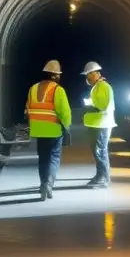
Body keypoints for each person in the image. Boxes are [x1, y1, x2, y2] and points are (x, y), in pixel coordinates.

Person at [25, 60, 72, 200]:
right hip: (54, 130)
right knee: (54, 157)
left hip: (38, 130)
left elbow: (28, 108)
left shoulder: (33, 88)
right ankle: (48, 184)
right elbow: (65, 112)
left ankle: (43, 183)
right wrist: (67, 126)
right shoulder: (58, 90)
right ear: (56, 75)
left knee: (43, 158)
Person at [81, 61, 115, 189]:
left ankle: (104, 178)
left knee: (100, 151)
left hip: (102, 124)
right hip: (96, 124)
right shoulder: (96, 87)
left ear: (96, 74)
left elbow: (102, 105)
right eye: (86, 75)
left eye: (89, 75)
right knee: (97, 151)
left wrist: (89, 106)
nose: (87, 78)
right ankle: (100, 175)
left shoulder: (104, 87)